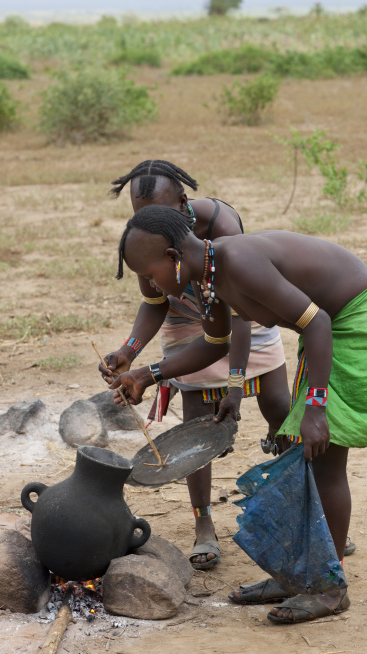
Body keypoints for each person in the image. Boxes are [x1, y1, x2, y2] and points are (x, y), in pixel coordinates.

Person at [109, 205, 367, 624]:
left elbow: (318, 321)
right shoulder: (210, 273)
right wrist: (147, 374)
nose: (151, 285)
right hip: (329, 329)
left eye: (149, 274)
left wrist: (316, 407)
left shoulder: (237, 261)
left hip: (360, 323)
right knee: (310, 458)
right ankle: (299, 575)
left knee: (324, 456)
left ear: (173, 256)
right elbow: (215, 344)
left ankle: (330, 587)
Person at [99, 160, 291, 570]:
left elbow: (239, 316)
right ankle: (203, 523)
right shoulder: (144, 239)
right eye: (140, 217)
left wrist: (237, 383)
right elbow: (155, 302)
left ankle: (296, 506)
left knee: (280, 408)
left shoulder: (223, 226)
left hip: (244, 316)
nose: (148, 224)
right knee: (197, 422)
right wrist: (129, 351)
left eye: (160, 216)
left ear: (183, 203)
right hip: (187, 322)